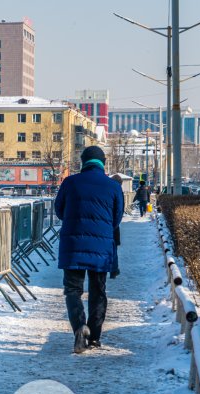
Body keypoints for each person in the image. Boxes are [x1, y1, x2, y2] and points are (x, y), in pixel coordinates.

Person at [55, 145, 123, 353]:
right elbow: (117, 217)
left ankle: (79, 328)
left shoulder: (70, 182)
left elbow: (59, 211)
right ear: (103, 163)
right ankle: (94, 337)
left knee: (73, 290)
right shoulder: (113, 186)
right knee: (98, 290)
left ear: (84, 162)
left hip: (73, 244)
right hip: (101, 247)